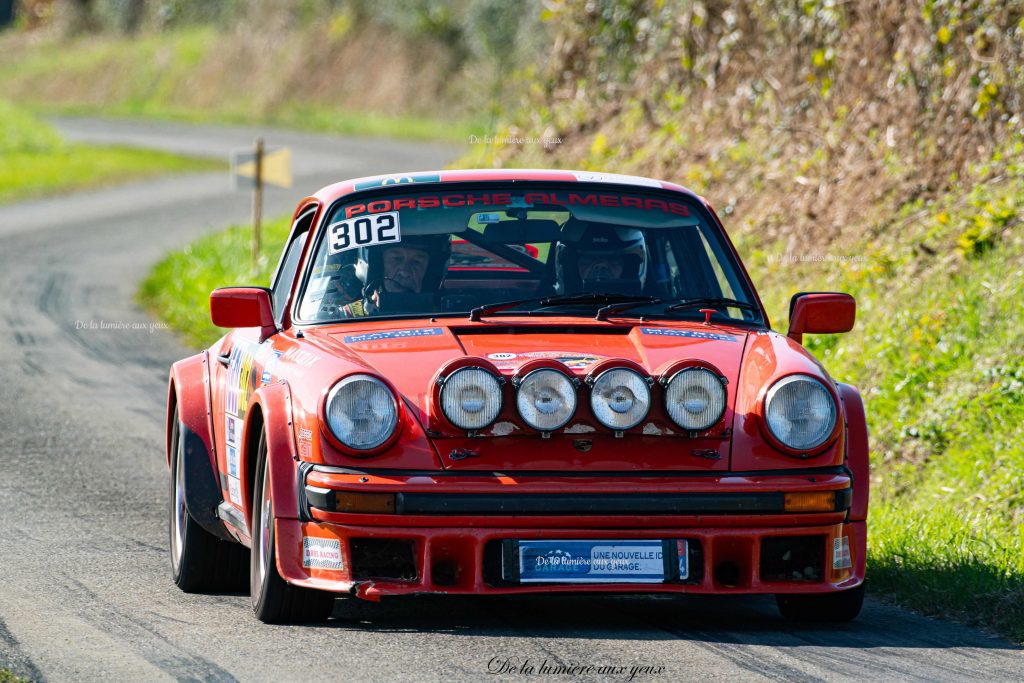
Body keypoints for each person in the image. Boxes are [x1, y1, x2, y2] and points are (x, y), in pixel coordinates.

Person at [340, 235, 451, 317]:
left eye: (417, 262)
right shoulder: (346, 317)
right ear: (377, 266)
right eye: (396, 259)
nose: (405, 272)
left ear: (430, 271)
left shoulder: (449, 316)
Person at [555, 221, 648, 295]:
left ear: (630, 266)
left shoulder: (656, 308)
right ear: (570, 265)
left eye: (613, 260)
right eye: (588, 260)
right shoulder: (546, 305)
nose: (601, 266)